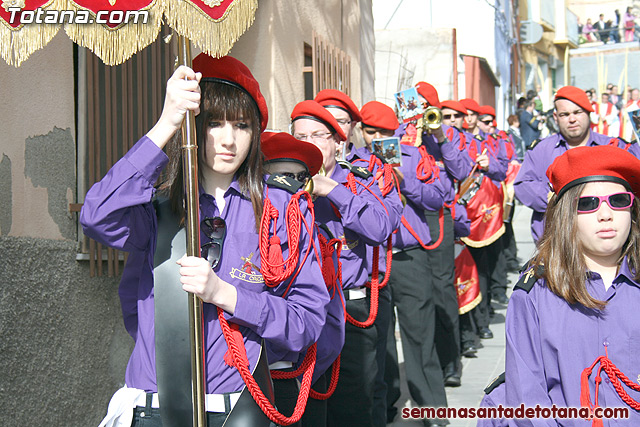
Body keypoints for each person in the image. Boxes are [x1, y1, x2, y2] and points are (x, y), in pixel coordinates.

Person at [81, 54, 330, 427]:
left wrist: (226, 295)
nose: (228, 139)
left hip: (238, 407)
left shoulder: (282, 211)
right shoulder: (157, 206)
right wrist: (166, 122)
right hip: (154, 407)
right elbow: (96, 217)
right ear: (193, 127)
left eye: (242, 126)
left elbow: (306, 321)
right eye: (214, 123)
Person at [506, 144, 640, 425]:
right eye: (588, 204)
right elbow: (528, 404)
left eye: (618, 200)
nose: (606, 214)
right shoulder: (535, 294)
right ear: (567, 215)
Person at [289, 100, 397, 427]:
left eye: (317, 135)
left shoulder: (359, 180)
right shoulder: (281, 182)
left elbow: (380, 227)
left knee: (355, 404)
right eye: (299, 135)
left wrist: (332, 191)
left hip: (351, 310)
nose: (307, 142)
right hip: (301, 312)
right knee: (305, 410)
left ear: (338, 143)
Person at [514, 85, 640, 243]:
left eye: (577, 112)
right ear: (555, 116)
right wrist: (559, 199)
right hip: (555, 245)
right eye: (564, 114)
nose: (572, 119)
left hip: (605, 246)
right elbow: (522, 185)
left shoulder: (612, 146)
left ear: (588, 112)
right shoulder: (541, 150)